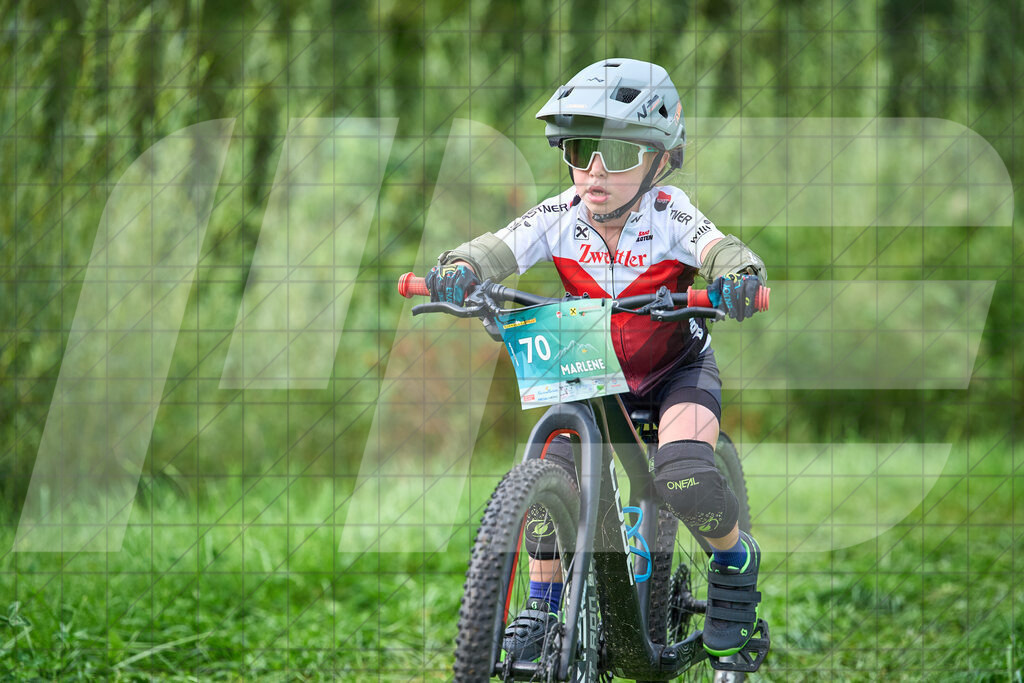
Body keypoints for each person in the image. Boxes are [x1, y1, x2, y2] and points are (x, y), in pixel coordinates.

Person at [426, 59, 766, 661]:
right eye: (581, 150)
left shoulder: (669, 213)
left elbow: (719, 249)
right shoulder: (560, 215)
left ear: (660, 160)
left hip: (675, 373)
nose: (595, 171)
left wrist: (738, 275)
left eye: (620, 153)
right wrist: (461, 267)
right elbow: (497, 247)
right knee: (553, 465)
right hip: (589, 364)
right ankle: (541, 607)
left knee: (683, 472)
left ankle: (734, 559)